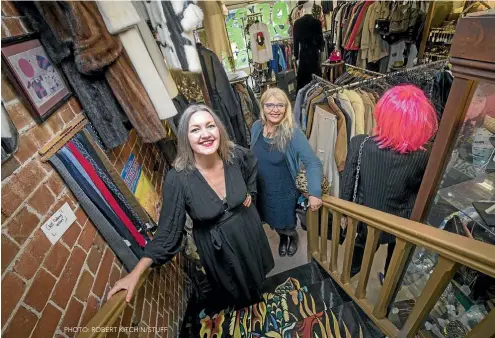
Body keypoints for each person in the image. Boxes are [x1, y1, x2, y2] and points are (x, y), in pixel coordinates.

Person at [108, 105, 274, 309]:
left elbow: (252, 164)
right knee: (238, 299)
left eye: (210, 126)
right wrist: (136, 272)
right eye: (195, 129)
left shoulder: (233, 155)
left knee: (258, 284)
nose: (205, 134)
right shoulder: (178, 179)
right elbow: (168, 233)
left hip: (248, 231)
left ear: (219, 129)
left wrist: (250, 191)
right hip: (219, 251)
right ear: (185, 138)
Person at [340, 85, 438, 283]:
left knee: (359, 250)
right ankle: (388, 283)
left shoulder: (360, 143)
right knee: (396, 258)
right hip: (402, 222)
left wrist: (344, 211)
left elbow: (348, 184)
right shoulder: (425, 155)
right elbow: (421, 192)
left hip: (366, 217)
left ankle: (349, 276)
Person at [251, 88, 323, 257]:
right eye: (270, 105)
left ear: (286, 108)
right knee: (272, 221)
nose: (275, 109)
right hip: (262, 189)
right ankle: (283, 238)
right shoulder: (256, 127)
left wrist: (314, 193)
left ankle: (292, 236)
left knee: (286, 222)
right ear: (262, 107)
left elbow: (312, 163)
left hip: (284, 191)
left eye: (280, 105)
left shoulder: (293, 132)